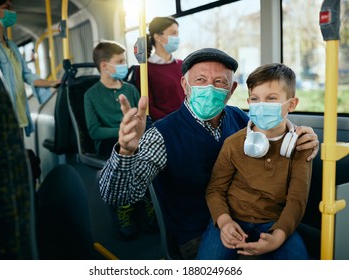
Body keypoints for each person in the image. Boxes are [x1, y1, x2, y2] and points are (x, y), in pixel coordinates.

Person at [98, 48, 320, 260]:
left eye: (220, 82)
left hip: (251, 216)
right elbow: (119, 196)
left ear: (231, 90)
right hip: (197, 233)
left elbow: (272, 129)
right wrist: (126, 153)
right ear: (185, 85)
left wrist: (300, 134)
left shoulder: (239, 118)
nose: (210, 88)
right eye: (200, 80)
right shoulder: (161, 135)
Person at [197, 63, 312, 260]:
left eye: (271, 98)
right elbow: (215, 189)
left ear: (291, 104)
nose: (261, 105)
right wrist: (224, 222)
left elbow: (297, 199)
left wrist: (278, 236)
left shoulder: (301, 146)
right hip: (233, 218)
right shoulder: (234, 143)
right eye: (255, 99)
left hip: (274, 222)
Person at [84, 40, 154, 239]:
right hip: (108, 141)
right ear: (105, 66)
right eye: (120, 61)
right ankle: (123, 206)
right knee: (124, 159)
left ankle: (149, 201)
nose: (125, 65)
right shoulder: (91, 95)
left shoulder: (130, 89)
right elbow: (94, 131)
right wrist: (123, 132)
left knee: (151, 157)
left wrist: (136, 131)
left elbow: (140, 119)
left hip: (134, 136)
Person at [0, 0, 60, 137]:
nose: (12, 11)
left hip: (18, 114)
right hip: (0, 116)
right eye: (6, 7)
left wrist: (50, 83)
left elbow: (27, 75)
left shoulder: (11, 45)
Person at [133, 16, 184, 121]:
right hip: (166, 125)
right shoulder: (144, 70)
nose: (177, 38)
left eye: (177, 34)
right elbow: (149, 106)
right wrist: (173, 122)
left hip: (189, 121)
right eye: (173, 33)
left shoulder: (182, 64)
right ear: (158, 37)